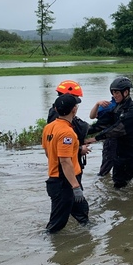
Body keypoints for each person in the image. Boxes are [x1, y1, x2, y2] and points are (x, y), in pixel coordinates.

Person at [86, 76, 133, 189]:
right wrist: (84, 132)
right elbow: (102, 124)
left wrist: (95, 139)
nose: (114, 95)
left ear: (126, 92)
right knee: (118, 184)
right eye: (113, 93)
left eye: (117, 93)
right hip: (120, 154)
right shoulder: (117, 108)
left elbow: (118, 129)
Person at [42, 94, 89, 233]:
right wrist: (75, 187)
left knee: (82, 211)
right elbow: (65, 161)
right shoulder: (67, 132)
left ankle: (89, 236)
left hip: (61, 180)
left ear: (56, 109)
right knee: (57, 224)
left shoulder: (49, 127)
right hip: (64, 182)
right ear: (74, 109)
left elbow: (48, 152)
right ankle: (46, 246)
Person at [47, 80, 91, 181]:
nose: (76, 106)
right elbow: (59, 146)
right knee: (74, 193)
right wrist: (80, 149)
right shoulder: (59, 118)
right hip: (66, 170)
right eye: (75, 102)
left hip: (69, 164)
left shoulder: (60, 114)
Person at [89, 96, 117, 177]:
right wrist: (97, 104)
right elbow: (92, 116)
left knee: (107, 165)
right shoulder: (108, 106)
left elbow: (92, 116)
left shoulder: (109, 106)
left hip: (113, 139)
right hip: (111, 139)